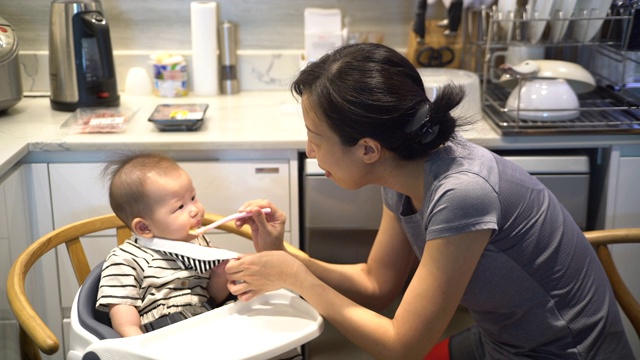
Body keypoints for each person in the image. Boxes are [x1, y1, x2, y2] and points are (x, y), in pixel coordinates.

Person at [225, 43, 634, 359]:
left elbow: (403, 346)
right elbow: (376, 283)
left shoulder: (462, 192)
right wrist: (285, 259)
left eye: (315, 137)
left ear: (368, 149)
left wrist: (298, 279)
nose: (310, 151)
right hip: (502, 341)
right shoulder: (403, 164)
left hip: (561, 352)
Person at [96, 153, 234, 337]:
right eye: (180, 207)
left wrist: (220, 275)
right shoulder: (125, 260)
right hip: (163, 335)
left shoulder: (198, 243)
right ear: (144, 227)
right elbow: (125, 323)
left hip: (205, 323)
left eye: (193, 197)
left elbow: (214, 298)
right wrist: (140, 348)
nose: (195, 210)